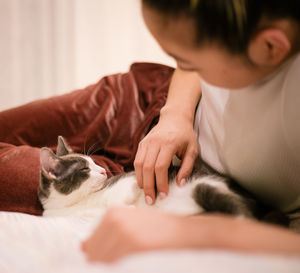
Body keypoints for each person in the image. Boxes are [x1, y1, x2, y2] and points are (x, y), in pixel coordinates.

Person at [82, 0, 300, 262]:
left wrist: (195, 229)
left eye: (189, 62)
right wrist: (175, 115)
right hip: (146, 103)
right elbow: (189, 67)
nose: (182, 68)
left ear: (270, 47)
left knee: (23, 177)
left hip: (179, 188)